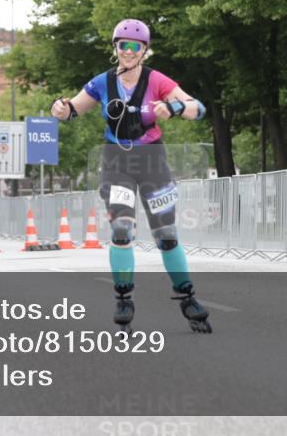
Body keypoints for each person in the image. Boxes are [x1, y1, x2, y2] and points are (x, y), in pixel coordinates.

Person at [50, 18, 212, 333]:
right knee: (122, 229)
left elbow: (198, 108)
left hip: (153, 162)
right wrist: (60, 109)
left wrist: (175, 108)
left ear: (144, 51)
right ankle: (124, 298)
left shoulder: (156, 80)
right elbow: (73, 109)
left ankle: (187, 297)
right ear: (115, 48)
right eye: (123, 45)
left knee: (166, 233)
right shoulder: (102, 82)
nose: (128, 51)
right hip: (117, 163)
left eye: (135, 47)